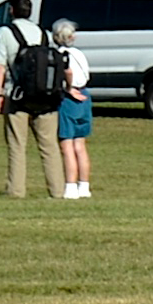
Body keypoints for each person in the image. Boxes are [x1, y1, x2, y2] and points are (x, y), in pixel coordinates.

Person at [0, 0, 66, 200]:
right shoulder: (43, 33)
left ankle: (16, 191)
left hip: (17, 95)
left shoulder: (5, 32)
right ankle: (57, 191)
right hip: (46, 96)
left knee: (17, 145)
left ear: (12, 11)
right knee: (49, 146)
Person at [53, 20, 95, 200]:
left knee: (67, 145)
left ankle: (70, 187)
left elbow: (67, 71)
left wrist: (69, 87)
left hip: (69, 99)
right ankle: (84, 186)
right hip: (84, 96)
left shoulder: (60, 55)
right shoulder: (79, 54)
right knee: (80, 144)